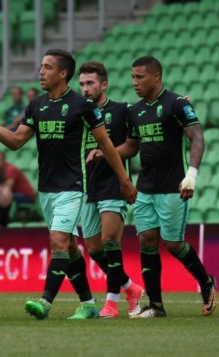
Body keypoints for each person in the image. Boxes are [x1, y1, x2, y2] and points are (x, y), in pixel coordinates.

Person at [0, 48, 137, 320]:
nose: (40, 72)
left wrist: (125, 181)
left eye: (47, 67)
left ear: (62, 73)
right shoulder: (37, 105)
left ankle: (45, 302)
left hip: (73, 186)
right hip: (46, 188)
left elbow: (106, 144)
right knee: (69, 245)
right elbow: (15, 141)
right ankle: (88, 303)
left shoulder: (83, 106)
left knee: (57, 241)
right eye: (40, 67)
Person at [112, 56, 216, 318]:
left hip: (173, 186)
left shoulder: (177, 103)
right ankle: (156, 306)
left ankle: (206, 282)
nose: (134, 82)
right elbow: (132, 146)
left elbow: (197, 138)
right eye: (132, 77)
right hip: (145, 187)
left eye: (140, 77)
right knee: (147, 241)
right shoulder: (135, 111)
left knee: (172, 244)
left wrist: (191, 175)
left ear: (156, 76)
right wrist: (107, 152)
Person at [77, 61, 145, 318]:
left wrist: (105, 153)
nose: (85, 89)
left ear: (104, 85)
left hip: (113, 185)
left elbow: (132, 146)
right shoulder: (77, 112)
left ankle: (111, 303)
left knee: (109, 242)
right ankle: (131, 288)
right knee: (94, 250)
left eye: (90, 83)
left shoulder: (121, 110)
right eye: (82, 84)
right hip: (86, 187)